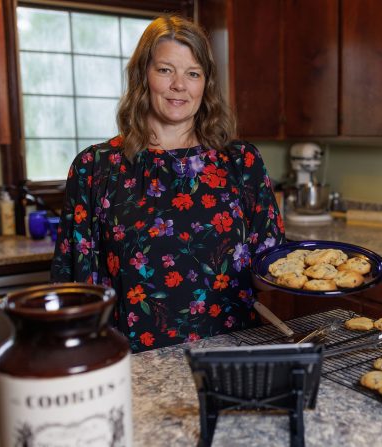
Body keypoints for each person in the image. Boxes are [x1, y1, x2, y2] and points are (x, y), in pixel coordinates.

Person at [51, 15, 285, 352]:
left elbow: (270, 272)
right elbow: (73, 288)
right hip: (133, 361)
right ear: (142, 76)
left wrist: (310, 273)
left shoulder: (241, 162)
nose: (179, 85)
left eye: (193, 73)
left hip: (231, 355)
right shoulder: (95, 167)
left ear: (206, 84)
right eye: (165, 70)